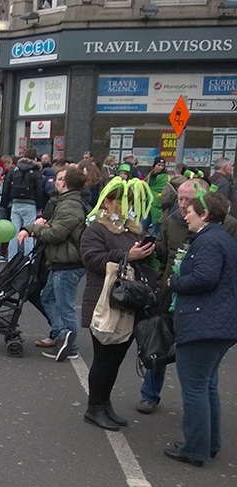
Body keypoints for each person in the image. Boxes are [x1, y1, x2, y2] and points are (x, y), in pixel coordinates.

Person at [164, 189, 237, 466]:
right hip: (220, 325)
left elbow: (205, 277)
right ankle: (210, 443)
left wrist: (175, 283)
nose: (186, 216)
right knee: (208, 387)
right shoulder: (224, 238)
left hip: (203, 322)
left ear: (204, 214)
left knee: (195, 388)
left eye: (190, 213)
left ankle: (194, 449)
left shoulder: (207, 241)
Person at [79, 177, 157, 431]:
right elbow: (92, 260)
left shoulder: (132, 230)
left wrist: (149, 250)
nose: (126, 207)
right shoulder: (95, 230)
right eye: (122, 202)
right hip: (104, 301)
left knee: (116, 358)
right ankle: (94, 407)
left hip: (127, 302)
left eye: (130, 203)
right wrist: (126, 255)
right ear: (108, 202)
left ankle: (104, 403)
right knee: (103, 358)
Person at [17, 166, 87, 362]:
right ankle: (61, 334)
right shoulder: (65, 202)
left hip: (68, 262)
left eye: (59, 179)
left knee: (65, 306)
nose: (55, 181)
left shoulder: (69, 205)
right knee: (48, 297)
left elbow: (56, 233)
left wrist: (35, 230)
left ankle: (70, 345)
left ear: (64, 183)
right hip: (61, 261)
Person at [0, 148, 45, 260]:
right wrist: (40, 206)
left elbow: (6, 188)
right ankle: (29, 258)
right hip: (30, 203)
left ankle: (12, 258)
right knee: (29, 231)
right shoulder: (35, 172)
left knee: (14, 231)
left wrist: (4, 204)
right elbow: (39, 190)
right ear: (35, 158)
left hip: (15, 202)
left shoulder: (14, 170)